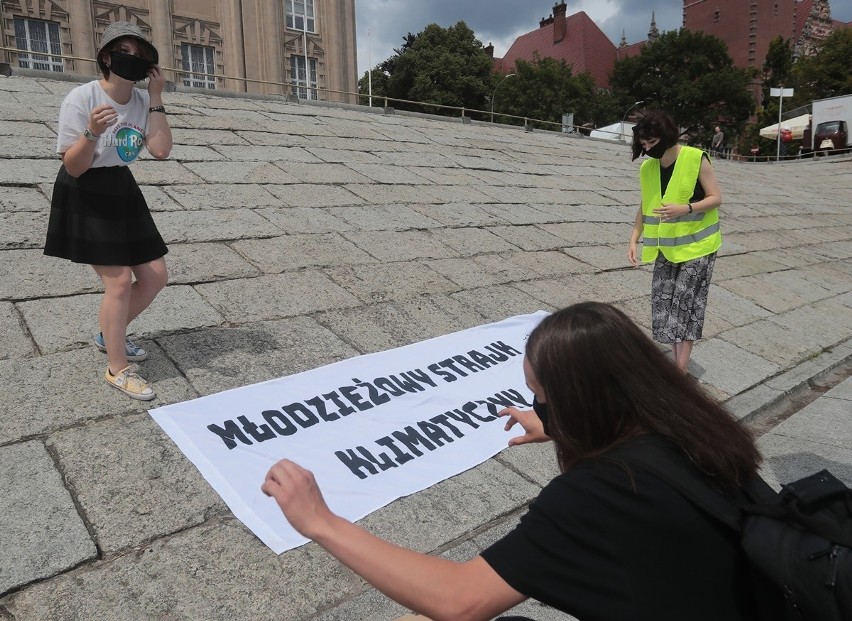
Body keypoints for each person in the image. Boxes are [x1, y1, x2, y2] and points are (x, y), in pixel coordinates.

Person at [262, 302, 764, 621]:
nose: (537, 406)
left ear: (584, 401)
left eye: (542, 397)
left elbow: (460, 601)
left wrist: (321, 523)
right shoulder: (696, 430)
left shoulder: (601, 493)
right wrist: (564, 426)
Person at [44, 21, 172, 401]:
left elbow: (161, 150)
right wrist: (91, 133)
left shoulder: (141, 101)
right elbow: (74, 166)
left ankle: (109, 335)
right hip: (85, 189)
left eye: (141, 55)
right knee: (117, 282)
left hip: (121, 187)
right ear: (107, 57)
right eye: (125, 52)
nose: (132, 59)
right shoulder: (81, 98)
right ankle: (118, 368)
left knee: (155, 276)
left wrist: (156, 97)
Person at [627, 111, 722, 373]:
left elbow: (716, 197)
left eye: (652, 143)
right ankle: (676, 362)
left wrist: (686, 208)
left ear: (666, 136)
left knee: (685, 305)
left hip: (698, 247)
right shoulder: (648, 167)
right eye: (643, 145)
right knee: (663, 304)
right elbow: (646, 205)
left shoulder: (695, 158)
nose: (648, 149)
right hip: (666, 249)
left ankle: (679, 369)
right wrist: (634, 238)